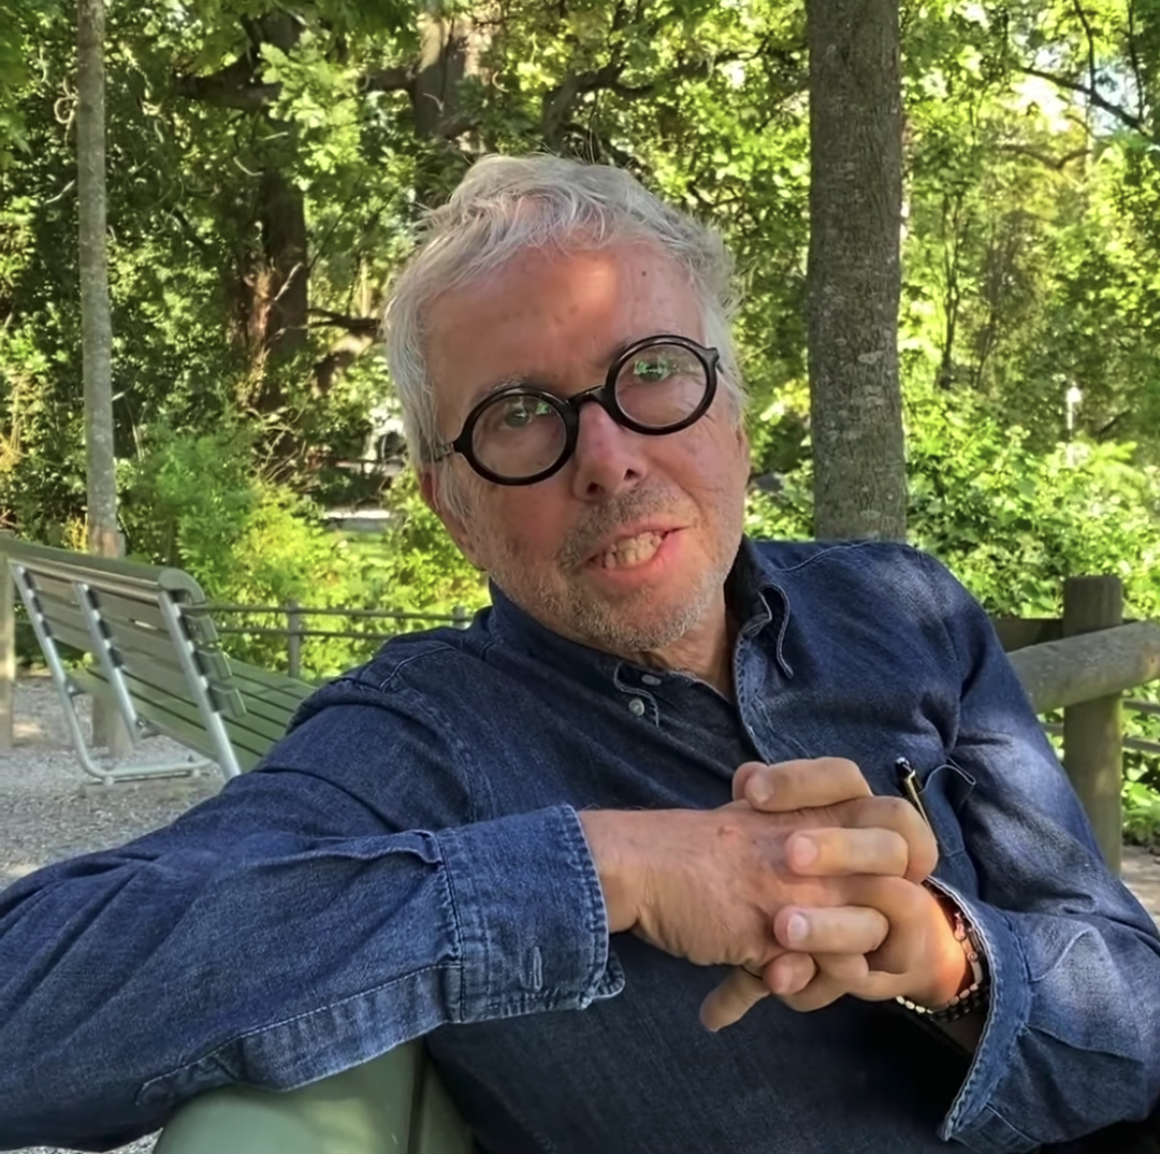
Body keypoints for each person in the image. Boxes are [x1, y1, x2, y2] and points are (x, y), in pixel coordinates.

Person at [2, 154, 1160, 1154]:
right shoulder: (416, 741)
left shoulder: (903, 611)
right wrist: (605, 868)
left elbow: (1136, 1005)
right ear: (453, 509)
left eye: (651, 368)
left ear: (733, 414)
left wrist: (950, 957)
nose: (606, 459)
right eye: (516, 414)